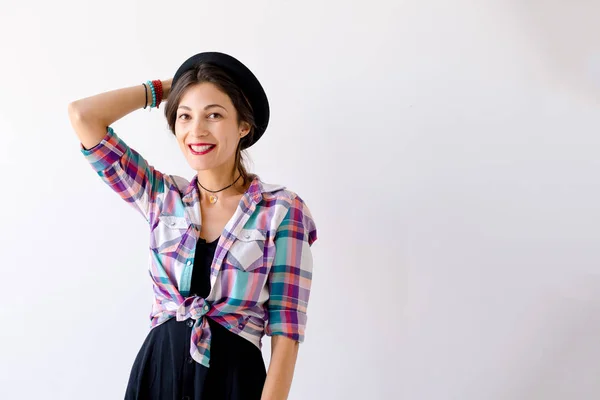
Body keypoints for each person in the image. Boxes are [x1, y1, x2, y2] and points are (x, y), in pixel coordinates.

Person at [68, 52, 318, 400]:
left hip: (234, 382)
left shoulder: (280, 210)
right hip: (157, 376)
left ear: (244, 125)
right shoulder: (161, 196)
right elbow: (83, 116)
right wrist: (175, 85)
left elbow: (286, 331)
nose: (196, 130)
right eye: (184, 116)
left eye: (214, 115)